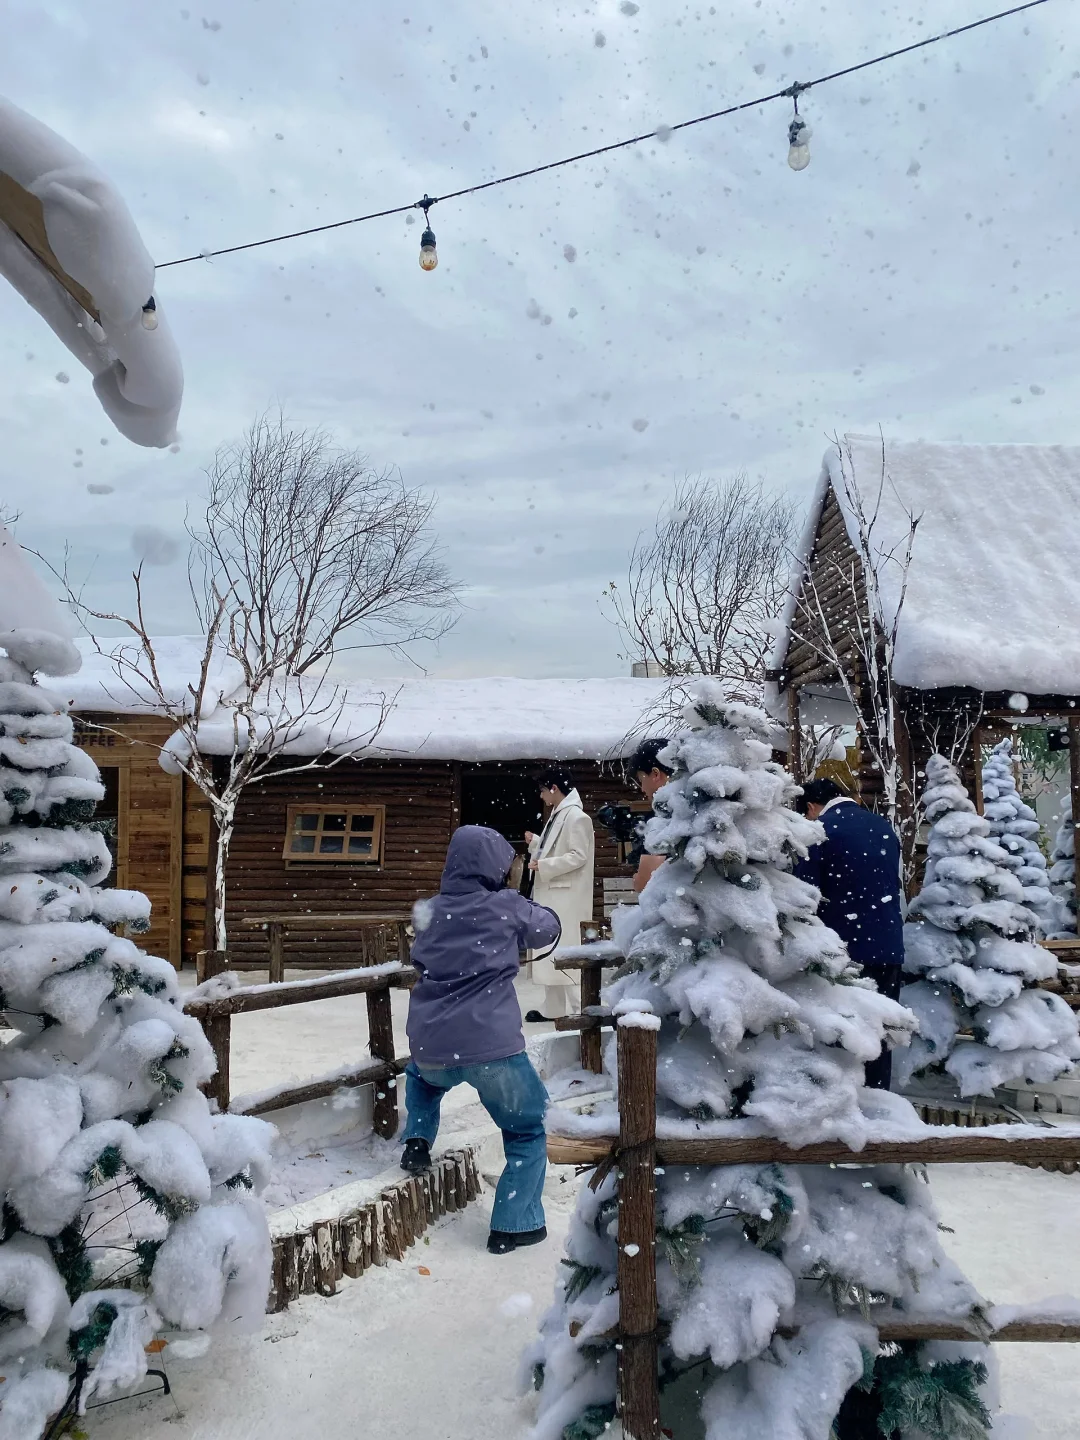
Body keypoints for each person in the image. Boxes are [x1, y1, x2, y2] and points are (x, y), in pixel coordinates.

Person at [401, 824, 561, 1254]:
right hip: (492, 1048)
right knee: (527, 1128)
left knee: (420, 1080)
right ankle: (513, 1224)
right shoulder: (505, 906)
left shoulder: (430, 910)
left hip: (432, 1044)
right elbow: (546, 930)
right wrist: (522, 899)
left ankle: (417, 1138)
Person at [793, 777, 905, 1089]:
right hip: (888, 945)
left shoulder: (819, 831)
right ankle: (880, 1104)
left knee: (842, 1039)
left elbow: (805, 896)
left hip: (844, 950)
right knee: (879, 1034)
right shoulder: (882, 827)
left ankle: (847, 1111)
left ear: (812, 807)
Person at [522, 767, 595, 1022]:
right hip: (554, 895)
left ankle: (578, 1008)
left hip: (566, 896)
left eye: (543, 790)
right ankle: (554, 1006)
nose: (541, 796)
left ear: (554, 788)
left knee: (564, 950)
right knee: (551, 950)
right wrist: (536, 843)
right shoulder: (560, 814)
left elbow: (578, 855)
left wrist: (544, 865)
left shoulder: (577, 817)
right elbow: (557, 847)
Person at [628, 738, 674, 894]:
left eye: (642, 779)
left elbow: (645, 884)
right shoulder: (697, 802)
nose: (642, 788)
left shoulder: (663, 816)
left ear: (655, 774)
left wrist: (637, 878)